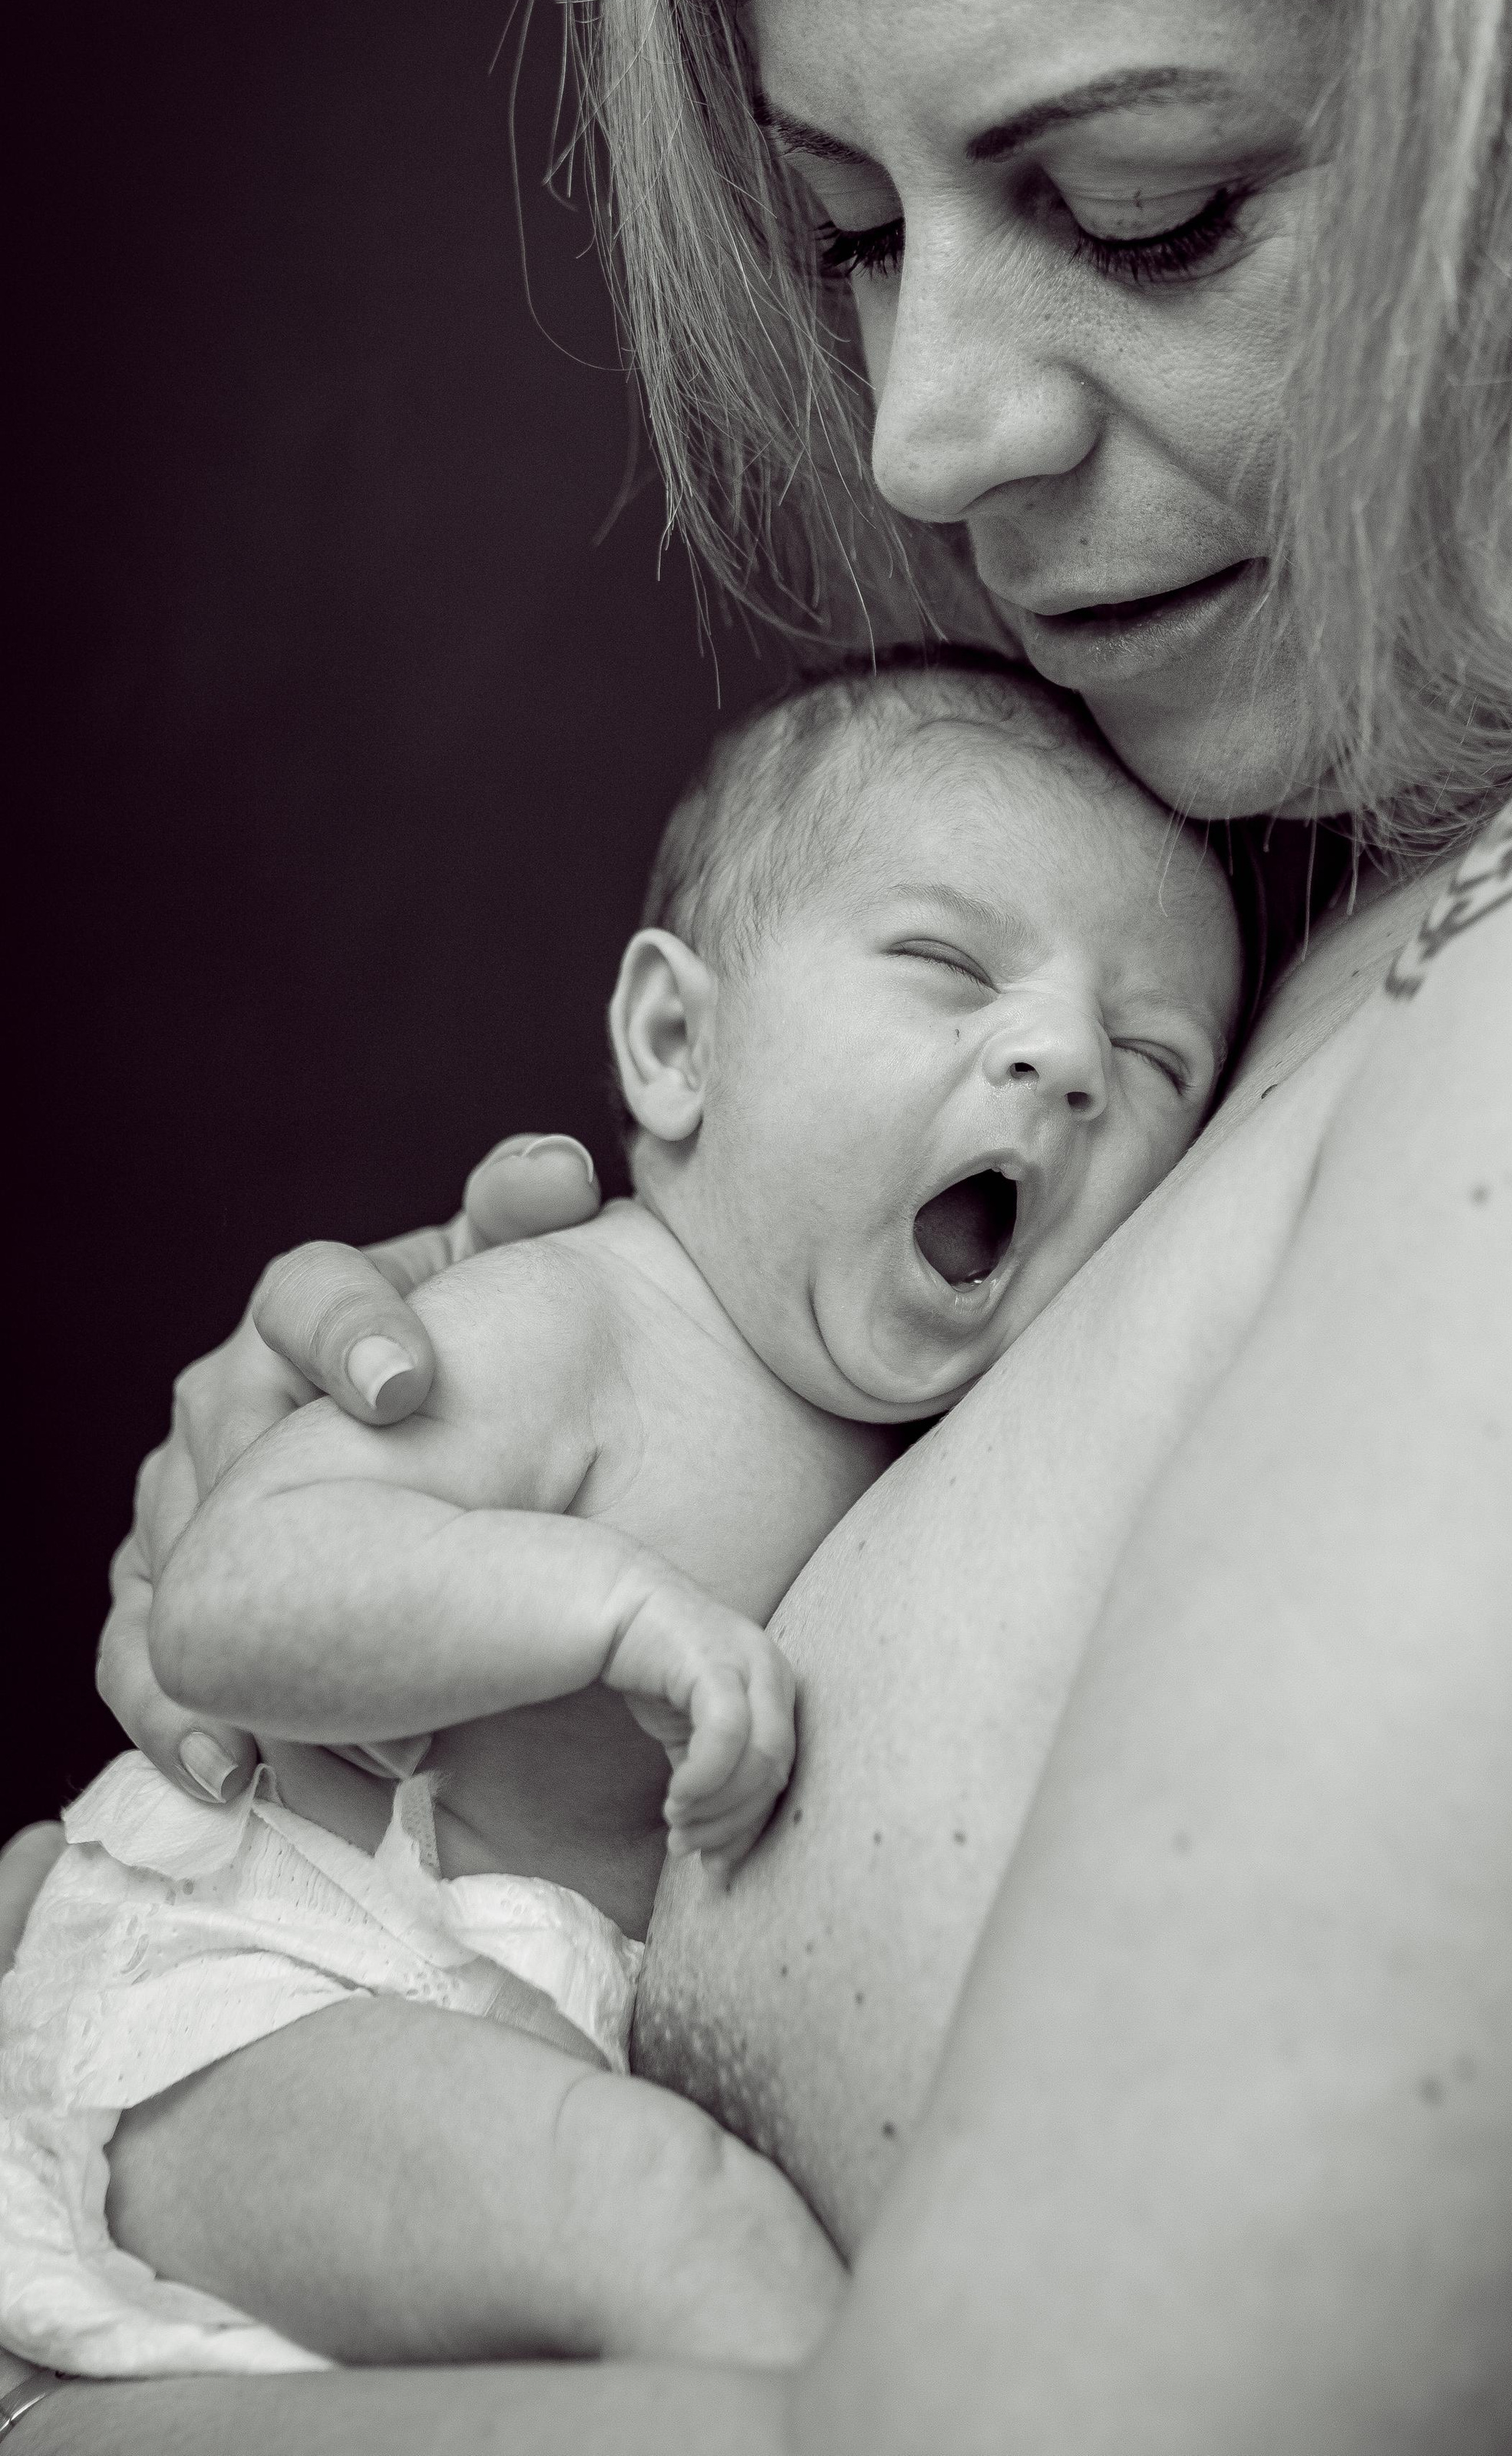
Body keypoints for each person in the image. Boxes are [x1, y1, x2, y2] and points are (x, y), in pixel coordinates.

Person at [6, 0, 1512, 2445]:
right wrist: (432, 1504)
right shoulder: (1336, 882)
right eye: (851, 227)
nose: (929, 434)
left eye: (1152, 213)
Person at [0, 660, 1240, 2380]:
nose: (1061, 1058)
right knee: (686, 2233)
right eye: (948, 967)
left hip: (489, 2047)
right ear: (677, 1042)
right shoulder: (582, 1322)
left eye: (1156, 1058)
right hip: (262, 1996)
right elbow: (226, 1605)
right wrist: (608, 1607)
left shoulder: (932, 1441)